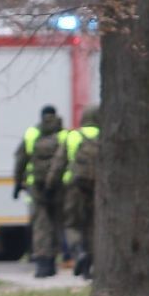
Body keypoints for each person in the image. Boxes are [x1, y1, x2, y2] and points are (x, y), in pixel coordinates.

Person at [48, 105, 100, 279]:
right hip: (97, 188)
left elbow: (58, 163)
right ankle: (90, 267)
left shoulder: (73, 136)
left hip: (74, 187)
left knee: (72, 224)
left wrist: (50, 184)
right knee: (92, 225)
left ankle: (79, 253)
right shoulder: (104, 136)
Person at [13, 105, 65, 278]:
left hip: (37, 186)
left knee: (41, 225)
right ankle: (54, 262)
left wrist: (17, 183)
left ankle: (43, 265)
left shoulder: (31, 134)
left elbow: (20, 159)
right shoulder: (64, 135)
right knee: (57, 224)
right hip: (58, 187)